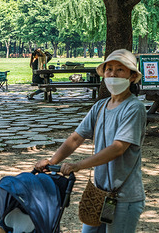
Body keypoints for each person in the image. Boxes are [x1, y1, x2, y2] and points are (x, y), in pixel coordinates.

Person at [35, 49, 146, 233]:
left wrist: (78, 165)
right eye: (109, 69)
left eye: (120, 69)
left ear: (132, 76)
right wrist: (52, 162)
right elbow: (76, 137)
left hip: (124, 197)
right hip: (99, 194)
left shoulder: (134, 108)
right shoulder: (100, 106)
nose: (113, 74)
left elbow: (117, 148)